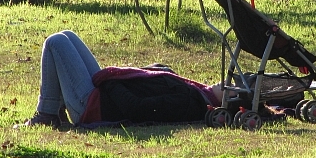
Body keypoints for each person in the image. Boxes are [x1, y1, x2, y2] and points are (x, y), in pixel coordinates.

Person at [21, 31, 222, 129]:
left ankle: (47, 114)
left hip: (92, 107)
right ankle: (56, 112)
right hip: (102, 95)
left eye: (230, 89)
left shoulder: (190, 102)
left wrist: (110, 82)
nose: (225, 83)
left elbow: (136, 108)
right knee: (67, 35)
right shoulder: (197, 92)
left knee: (55, 42)